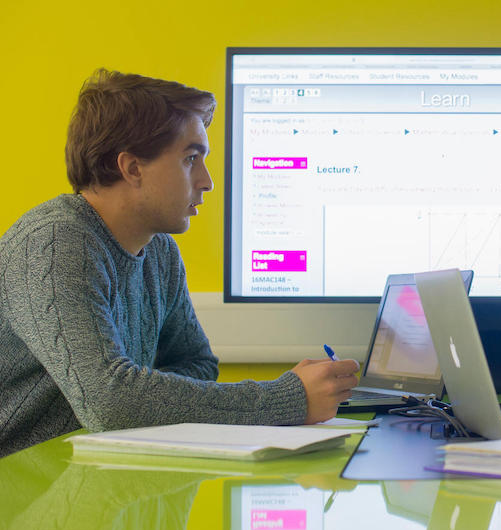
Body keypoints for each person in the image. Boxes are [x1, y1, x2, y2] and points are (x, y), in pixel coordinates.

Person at [0, 69, 359, 458]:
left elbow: (196, 364)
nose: (207, 181)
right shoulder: (54, 243)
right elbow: (110, 401)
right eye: (190, 159)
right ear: (132, 168)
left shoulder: (159, 250)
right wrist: (286, 398)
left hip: (94, 471)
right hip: (18, 482)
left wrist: (139, 396)